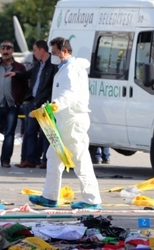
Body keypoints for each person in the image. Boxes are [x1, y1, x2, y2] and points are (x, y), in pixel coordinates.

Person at [29, 37, 102, 210]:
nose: (52, 56)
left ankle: (92, 199)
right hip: (65, 121)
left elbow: (70, 93)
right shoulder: (65, 68)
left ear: (64, 50)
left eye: (54, 52)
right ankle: (50, 196)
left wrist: (56, 105)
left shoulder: (71, 69)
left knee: (80, 160)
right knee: (53, 157)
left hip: (73, 121)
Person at [5, 40, 57, 169]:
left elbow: (52, 86)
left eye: (34, 50)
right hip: (33, 101)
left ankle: (46, 160)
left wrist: (49, 101)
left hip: (45, 103)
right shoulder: (38, 65)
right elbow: (29, 74)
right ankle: (31, 159)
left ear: (42, 50)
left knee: (46, 133)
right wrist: (16, 74)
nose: (33, 53)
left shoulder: (53, 65)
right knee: (30, 131)